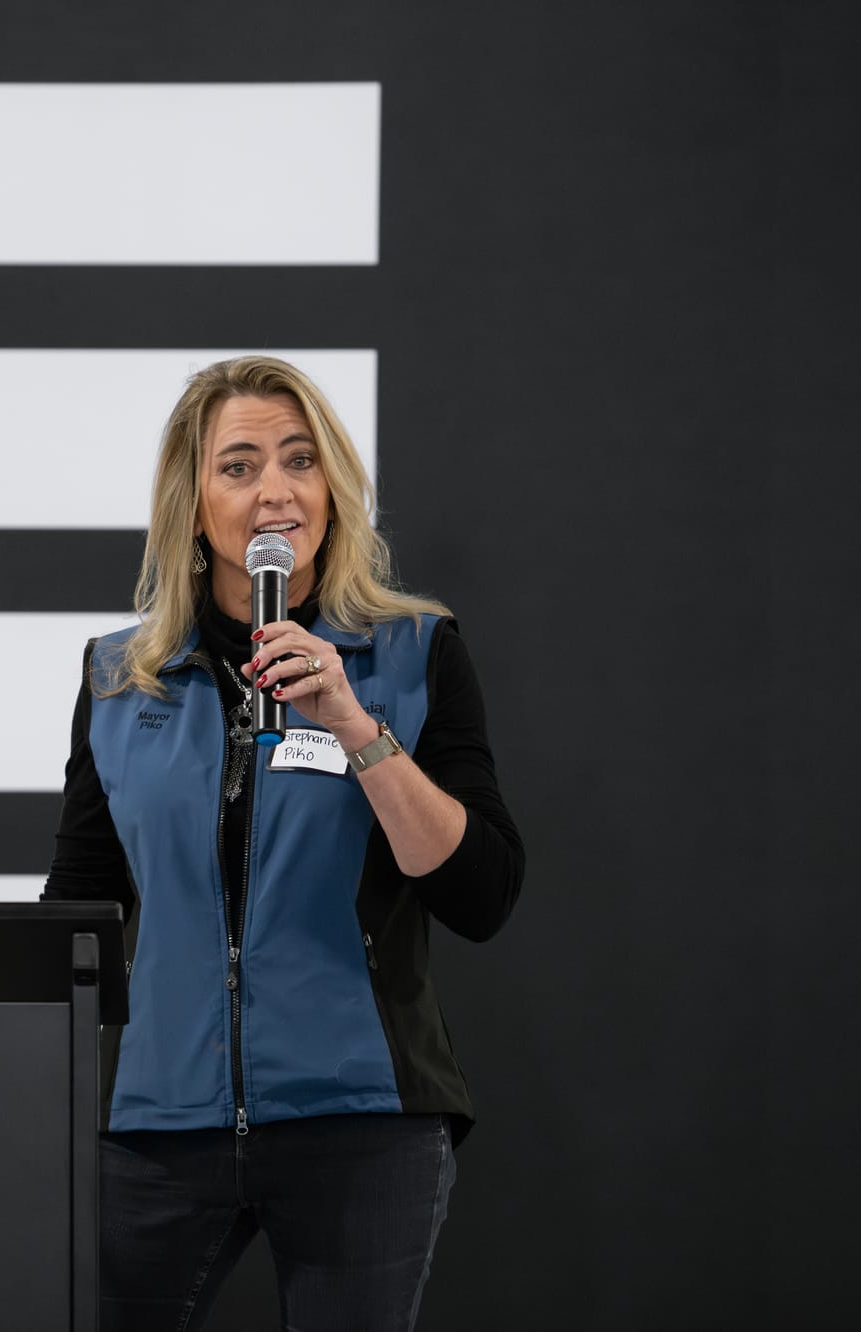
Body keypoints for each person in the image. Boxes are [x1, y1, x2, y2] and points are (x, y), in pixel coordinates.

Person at [43, 356, 524, 1332]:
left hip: (358, 1118)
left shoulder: (413, 655)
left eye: (300, 460)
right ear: (192, 506)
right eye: (239, 465)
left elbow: (481, 894)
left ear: (332, 489)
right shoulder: (118, 679)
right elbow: (76, 911)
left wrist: (354, 725)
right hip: (154, 1123)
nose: (275, 490)